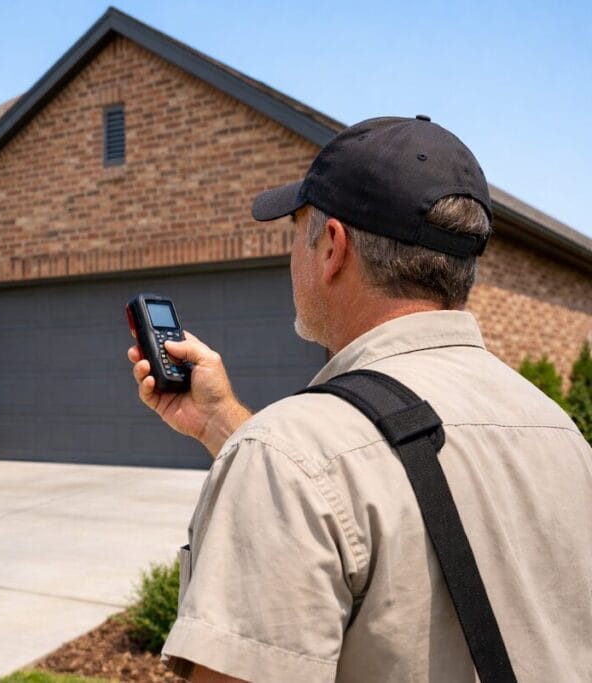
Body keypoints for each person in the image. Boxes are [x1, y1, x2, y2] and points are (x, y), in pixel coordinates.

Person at [127, 115, 592, 682]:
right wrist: (223, 422)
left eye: (297, 235)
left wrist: (257, 444)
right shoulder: (559, 432)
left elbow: (332, 475)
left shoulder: (287, 456)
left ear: (331, 248)